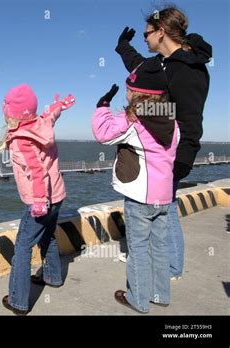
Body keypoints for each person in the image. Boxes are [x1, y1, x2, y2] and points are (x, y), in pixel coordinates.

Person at [115, 6, 212, 279]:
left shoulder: (188, 69)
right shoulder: (163, 64)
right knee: (162, 209)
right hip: (157, 151)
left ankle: (169, 268)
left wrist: (182, 160)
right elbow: (139, 67)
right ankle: (167, 266)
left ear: (161, 32)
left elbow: (189, 118)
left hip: (171, 155)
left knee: (165, 211)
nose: (144, 39)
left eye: (147, 33)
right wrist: (122, 47)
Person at [92, 58, 180, 313]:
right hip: (163, 196)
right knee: (159, 247)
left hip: (140, 197)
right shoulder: (173, 122)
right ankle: (160, 294)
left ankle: (138, 299)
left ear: (137, 93)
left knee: (138, 249)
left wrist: (103, 106)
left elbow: (103, 134)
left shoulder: (134, 121)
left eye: (129, 89)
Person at [0, 84, 75, 315]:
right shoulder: (41, 124)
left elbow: (37, 172)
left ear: (10, 114)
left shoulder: (22, 139)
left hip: (40, 201)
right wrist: (60, 106)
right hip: (57, 196)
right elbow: (50, 114)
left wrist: (39, 201)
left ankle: (18, 300)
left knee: (22, 246)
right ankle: (52, 277)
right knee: (48, 236)